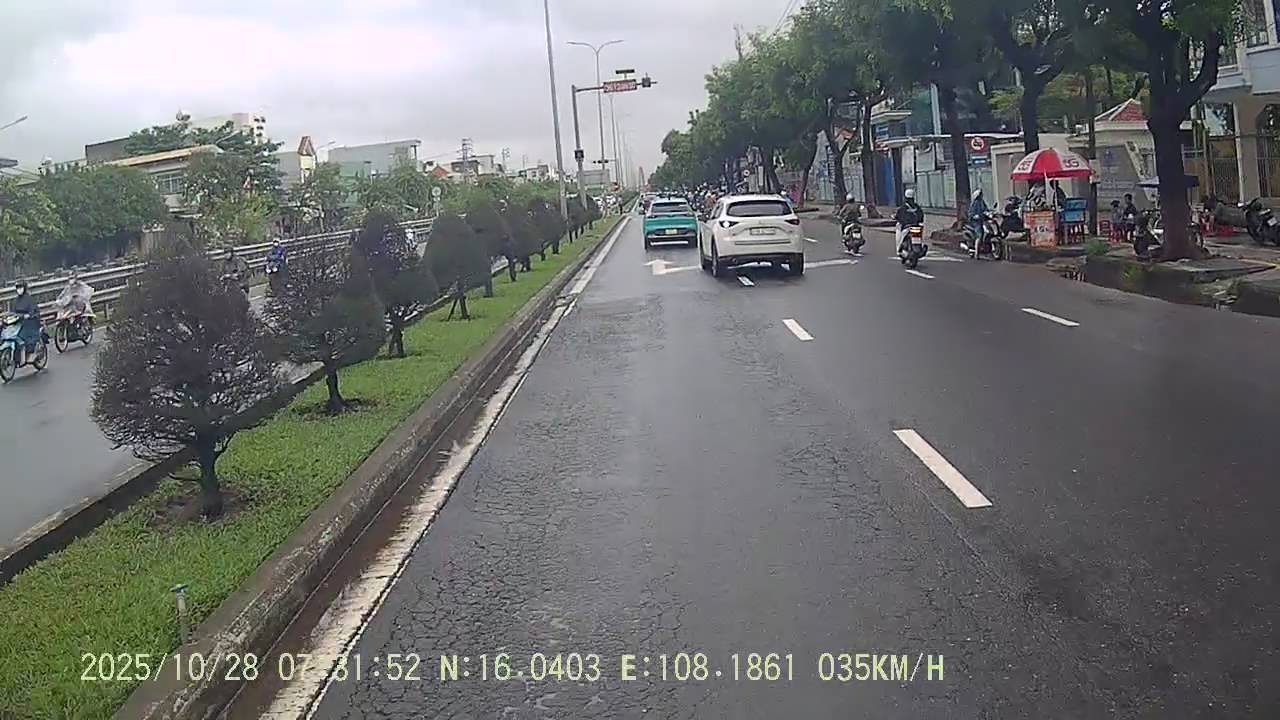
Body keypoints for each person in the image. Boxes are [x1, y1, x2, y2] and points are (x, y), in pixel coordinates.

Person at [9, 280, 42, 364]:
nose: (19, 289)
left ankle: (29, 352)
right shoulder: (15, 300)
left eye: (21, 287)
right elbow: (12, 311)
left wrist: (29, 315)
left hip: (30, 321)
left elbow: (33, 310)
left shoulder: (29, 299)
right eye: (17, 288)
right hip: (18, 321)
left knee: (24, 334)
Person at [894, 188, 924, 254]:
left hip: (907, 226)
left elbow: (898, 217)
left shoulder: (903, 208)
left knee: (898, 230)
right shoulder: (917, 207)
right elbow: (921, 216)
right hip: (916, 226)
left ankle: (899, 248)